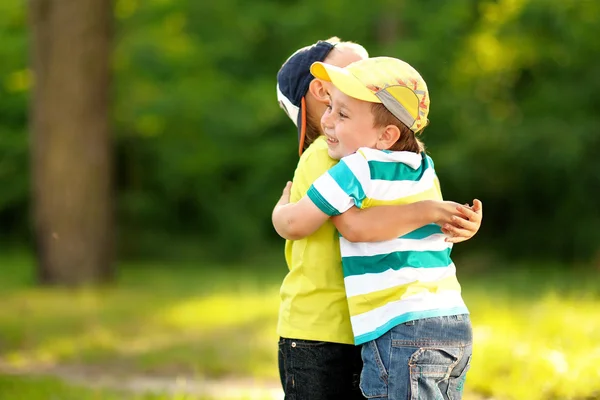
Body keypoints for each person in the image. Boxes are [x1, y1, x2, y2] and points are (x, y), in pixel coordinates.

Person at [275, 40, 482, 400]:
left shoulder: (353, 162)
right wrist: (455, 221)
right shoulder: (420, 166)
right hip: (416, 320)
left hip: (373, 322)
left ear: (387, 134)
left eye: (344, 112)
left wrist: (280, 210)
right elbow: (425, 226)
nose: (331, 124)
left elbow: (349, 226)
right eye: (333, 109)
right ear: (320, 94)